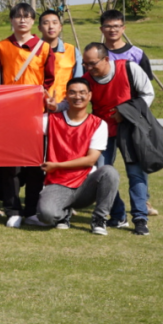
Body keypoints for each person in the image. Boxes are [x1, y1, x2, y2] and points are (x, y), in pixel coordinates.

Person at [0, 2, 57, 229]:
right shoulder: (1, 47)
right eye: (18, 16)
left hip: (35, 115)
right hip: (8, 115)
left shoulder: (44, 48)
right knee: (11, 166)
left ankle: (31, 210)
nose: (22, 20)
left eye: (27, 17)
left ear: (33, 21)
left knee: (35, 166)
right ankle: (12, 209)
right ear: (11, 20)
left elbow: (49, 79)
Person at [81, 42, 156, 235]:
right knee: (102, 173)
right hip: (102, 132)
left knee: (136, 174)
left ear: (106, 59)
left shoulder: (129, 68)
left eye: (92, 63)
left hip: (131, 130)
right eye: (85, 64)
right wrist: (56, 107)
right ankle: (118, 214)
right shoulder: (87, 79)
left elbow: (148, 94)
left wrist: (126, 113)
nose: (88, 68)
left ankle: (140, 219)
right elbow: (75, 100)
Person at [34, 77, 119, 235]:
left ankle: (99, 219)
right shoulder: (50, 120)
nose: (77, 96)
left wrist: (57, 165)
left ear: (89, 96)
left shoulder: (99, 124)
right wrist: (46, 108)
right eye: (72, 93)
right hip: (58, 183)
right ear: (66, 96)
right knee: (46, 215)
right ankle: (63, 214)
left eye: (82, 93)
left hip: (85, 184)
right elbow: (23, 127)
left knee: (109, 172)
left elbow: (91, 160)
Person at [40, 10, 82, 104]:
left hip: (65, 105)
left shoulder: (72, 51)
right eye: (46, 23)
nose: (51, 26)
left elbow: (78, 82)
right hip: (39, 104)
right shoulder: (33, 52)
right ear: (39, 28)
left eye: (55, 23)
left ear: (60, 27)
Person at [99, 9, 155, 79]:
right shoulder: (95, 54)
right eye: (108, 26)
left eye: (116, 26)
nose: (112, 30)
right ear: (101, 29)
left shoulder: (137, 54)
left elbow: (146, 82)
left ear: (123, 28)